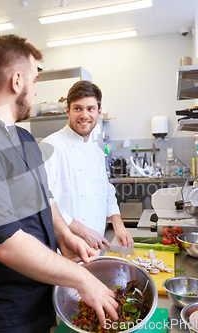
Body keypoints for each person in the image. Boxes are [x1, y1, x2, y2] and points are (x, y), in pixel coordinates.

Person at [0, 35, 118, 333]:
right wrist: (82, 279)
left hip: (37, 295)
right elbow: (4, 244)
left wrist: (63, 235)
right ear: (17, 81)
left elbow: (43, 198)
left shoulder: (21, 137)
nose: (35, 91)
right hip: (1, 309)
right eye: (35, 81)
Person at [41, 81, 134, 251]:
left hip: (95, 247)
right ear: (68, 110)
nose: (84, 115)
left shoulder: (97, 152)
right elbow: (43, 201)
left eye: (90, 109)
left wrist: (118, 225)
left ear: (99, 112)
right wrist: (83, 231)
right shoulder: (51, 146)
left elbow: (106, 191)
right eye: (78, 108)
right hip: (66, 250)